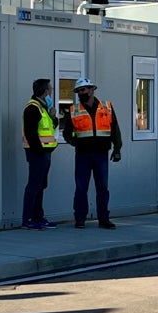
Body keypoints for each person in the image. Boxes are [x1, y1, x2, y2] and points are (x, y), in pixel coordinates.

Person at [63, 77, 121, 229]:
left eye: (83, 90)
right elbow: (66, 133)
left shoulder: (106, 107)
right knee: (81, 188)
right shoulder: (74, 110)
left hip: (101, 154)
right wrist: (74, 142)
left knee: (102, 188)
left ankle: (104, 219)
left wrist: (117, 149)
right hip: (83, 155)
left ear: (91, 90)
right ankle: (80, 219)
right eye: (78, 91)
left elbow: (115, 130)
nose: (80, 93)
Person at [21, 78, 60, 230]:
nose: (51, 93)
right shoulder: (33, 108)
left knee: (41, 185)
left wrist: (53, 117)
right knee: (34, 185)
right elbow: (31, 133)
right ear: (45, 91)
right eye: (50, 90)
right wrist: (39, 151)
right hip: (38, 153)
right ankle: (28, 219)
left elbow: (50, 127)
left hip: (45, 152)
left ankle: (38, 216)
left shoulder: (43, 108)